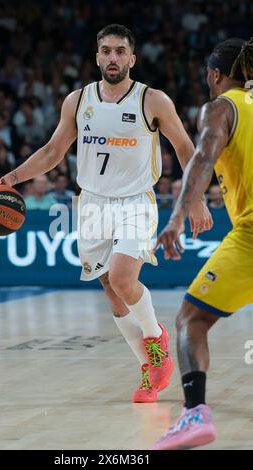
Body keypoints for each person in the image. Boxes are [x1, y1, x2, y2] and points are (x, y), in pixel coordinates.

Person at [0, 24, 212, 403]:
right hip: (91, 203)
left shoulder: (152, 100)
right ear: (97, 56)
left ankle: (157, 341)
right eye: (106, 51)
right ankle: (148, 368)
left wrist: (197, 196)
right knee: (112, 293)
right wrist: (9, 179)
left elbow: (186, 148)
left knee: (122, 278)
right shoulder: (78, 100)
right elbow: (54, 152)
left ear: (132, 58)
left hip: (135, 200)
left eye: (121, 51)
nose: (113, 57)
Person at [153, 37, 253, 450]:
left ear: (215, 75)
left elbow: (202, 157)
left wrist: (176, 216)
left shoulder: (221, 107)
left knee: (191, 320)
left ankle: (194, 414)